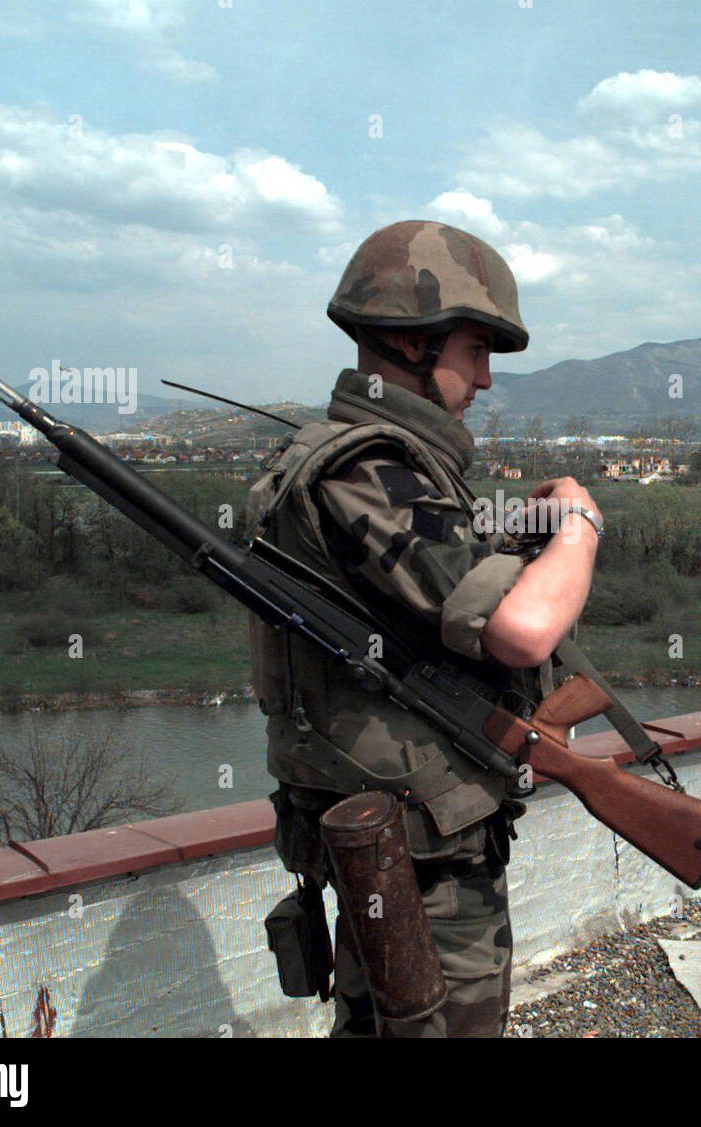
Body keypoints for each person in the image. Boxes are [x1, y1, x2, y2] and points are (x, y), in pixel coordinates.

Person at [246, 220, 604, 1037]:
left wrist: (515, 533)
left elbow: (425, 592)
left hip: (405, 844)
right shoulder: (363, 468)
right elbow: (522, 629)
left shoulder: (373, 463)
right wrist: (581, 521)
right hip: (421, 862)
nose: (484, 378)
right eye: (475, 350)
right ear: (411, 340)